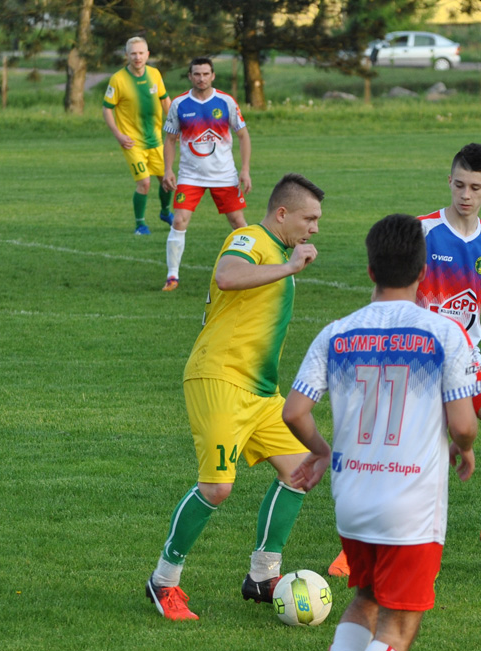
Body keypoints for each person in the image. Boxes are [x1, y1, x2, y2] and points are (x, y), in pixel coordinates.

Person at [282, 213, 479, 651]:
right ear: (423, 272)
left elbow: (294, 412)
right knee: (399, 622)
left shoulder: (337, 332)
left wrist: (323, 451)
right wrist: (464, 448)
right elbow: (464, 424)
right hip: (409, 505)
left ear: (370, 269)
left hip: (352, 498)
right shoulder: (442, 334)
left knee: (365, 597)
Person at [327, 142, 481, 577]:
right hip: (417, 363)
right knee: (394, 453)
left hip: (467, 362)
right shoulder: (422, 232)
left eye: (475, 187)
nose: (465, 194)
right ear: (449, 181)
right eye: (459, 185)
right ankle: (357, 547)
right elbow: (386, 294)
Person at [144, 174, 326, 621]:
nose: (315, 228)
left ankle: (263, 575)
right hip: (220, 377)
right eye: (309, 218)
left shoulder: (278, 252)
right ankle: (163, 581)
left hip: (261, 390)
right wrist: (289, 268)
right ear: (282, 213)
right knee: (217, 487)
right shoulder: (250, 238)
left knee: (300, 471)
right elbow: (226, 276)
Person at [158, 57, 252, 292]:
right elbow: (170, 139)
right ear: (190, 76)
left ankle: (253, 269)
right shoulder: (179, 104)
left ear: (213, 76)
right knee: (179, 220)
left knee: (238, 223)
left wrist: (245, 170)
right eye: (197, 74)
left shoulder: (226, 102)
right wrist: (168, 169)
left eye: (206, 74)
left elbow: (243, 136)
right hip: (190, 176)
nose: (201, 78)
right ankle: (172, 276)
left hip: (224, 175)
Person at [102, 36, 174, 236]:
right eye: (133, 53)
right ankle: (140, 225)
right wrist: (118, 134)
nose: (137, 57)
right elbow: (107, 109)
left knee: (167, 181)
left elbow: (165, 100)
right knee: (144, 183)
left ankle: (165, 212)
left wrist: (174, 125)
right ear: (127, 55)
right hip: (132, 142)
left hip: (156, 140)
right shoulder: (118, 79)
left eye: (141, 53)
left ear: (147, 54)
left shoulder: (154, 74)